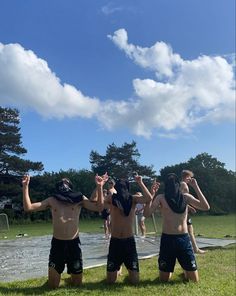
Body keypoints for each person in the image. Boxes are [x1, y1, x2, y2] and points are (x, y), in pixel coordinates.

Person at [22, 173, 107, 289]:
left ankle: (71, 277)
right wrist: (25, 186)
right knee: (53, 285)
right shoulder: (52, 200)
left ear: (70, 186)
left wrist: (100, 187)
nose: (64, 184)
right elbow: (29, 208)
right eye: (62, 182)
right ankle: (56, 277)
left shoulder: (79, 198)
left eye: (66, 182)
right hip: (58, 243)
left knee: (77, 284)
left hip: (74, 243)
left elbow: (99, 207)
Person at [144, 173, 210, 282]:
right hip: (167, 239)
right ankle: (169, 271)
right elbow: (147, 213)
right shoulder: (161, 197)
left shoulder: (186, 197)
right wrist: (151, 195)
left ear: (178, 185)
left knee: (194, 280)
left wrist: (196, 187)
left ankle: (186, 271)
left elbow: (205, 206)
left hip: (183, 239)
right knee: (163, 280)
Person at [104, 174, 155, 285]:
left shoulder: (133, 199)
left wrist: (140, 182)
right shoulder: (112, 199)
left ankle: (123, 270)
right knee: (110, 281)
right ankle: (117, 269)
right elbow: (99, 203)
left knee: (135, 281)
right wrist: (100, 186)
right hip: (115, 241)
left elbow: (148, 198)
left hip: (129, 241)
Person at [181, 170, 206, 254]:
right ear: (186, 177)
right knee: (188, 231)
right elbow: (181, 198)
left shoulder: (181, 184)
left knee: (189, 230)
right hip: (182, 213)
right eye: (189, 177)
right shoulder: (183, 184)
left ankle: (195, 248)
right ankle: (194, 249)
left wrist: (189, 207)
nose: (190, 179)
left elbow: (181, 199)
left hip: (184, 211)